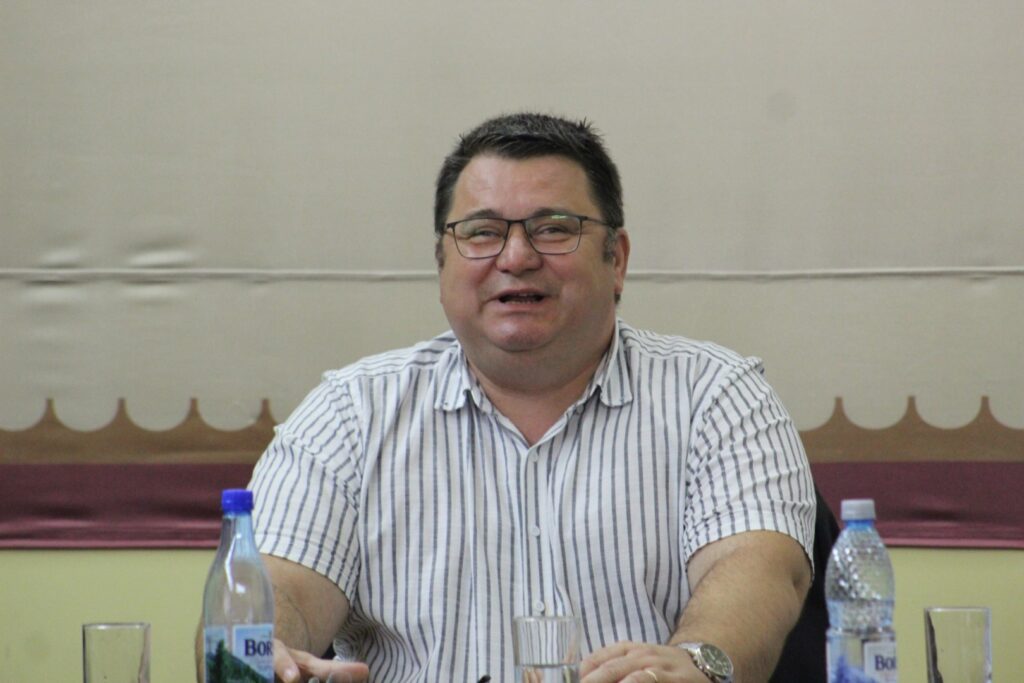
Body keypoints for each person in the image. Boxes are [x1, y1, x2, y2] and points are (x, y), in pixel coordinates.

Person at [210, 112, 816, 683]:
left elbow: (758, 571)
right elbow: (281, 590)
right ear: (442, 263)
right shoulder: (350, 415)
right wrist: (267, 652)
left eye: (554, 230)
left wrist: (699, 662)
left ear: (617, 260)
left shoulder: (717, 396)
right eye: (482, 233)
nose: (517, 258)